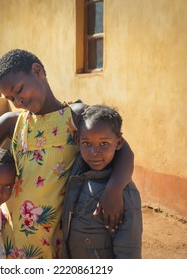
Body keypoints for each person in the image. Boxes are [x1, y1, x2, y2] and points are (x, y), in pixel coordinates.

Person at [0, 49, 134, 259]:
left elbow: (124, 149)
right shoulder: (12, 123)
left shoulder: (76, 116)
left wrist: (114, 189)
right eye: (10, 97)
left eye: (19, 90)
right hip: (14, 237)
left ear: (38, 71)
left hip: (58, 238)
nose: (17, 101)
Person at [61, 104, 142, 259]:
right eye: (86, 143)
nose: (94, 152)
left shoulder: (126, 194)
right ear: (78, 141)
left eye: (104, 144)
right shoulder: (77, 170)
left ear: (118, 143)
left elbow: (129, 251)